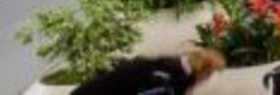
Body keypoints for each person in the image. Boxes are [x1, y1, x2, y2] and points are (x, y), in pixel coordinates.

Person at [71, 47, 225, 95]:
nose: (209, 80)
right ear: (203, 72)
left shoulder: (173, 67)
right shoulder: (167, 78)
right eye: (210, 74)